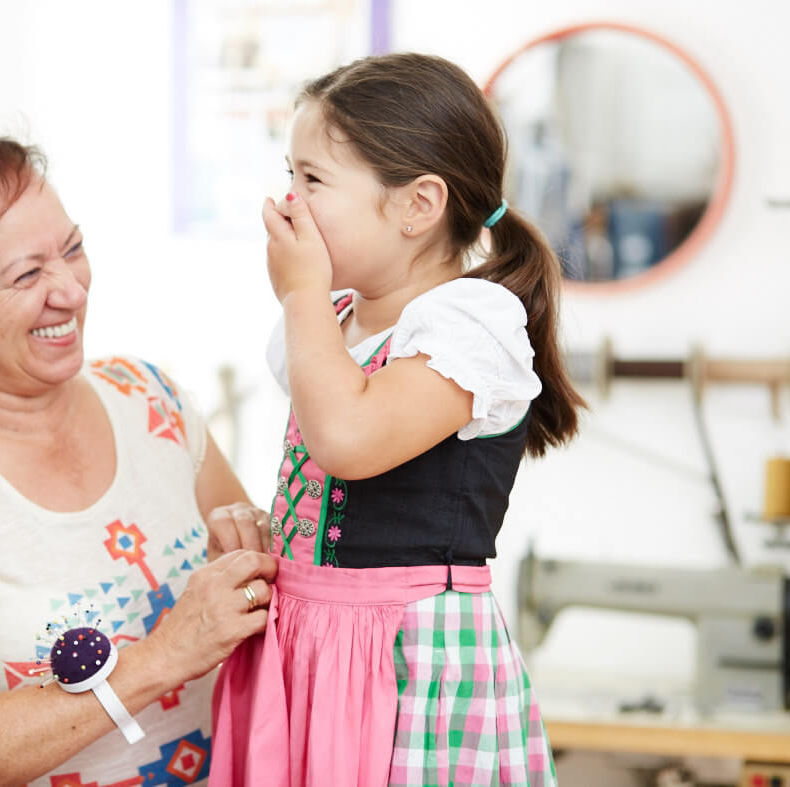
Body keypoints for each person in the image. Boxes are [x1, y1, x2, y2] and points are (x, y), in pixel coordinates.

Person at [0, 130, 278, 787]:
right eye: (27, 274)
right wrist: (162, 655)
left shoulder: (149, 398)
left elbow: (250, 584)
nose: (70, 290)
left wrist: (250, 539)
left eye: (72, 249)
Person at [209, 53, 586, 786]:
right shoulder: (338, 324)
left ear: (417, 205)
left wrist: (299, 298)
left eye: (311, 180)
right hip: (309, 648)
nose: (287, 203)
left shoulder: (470, 322)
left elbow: (347, 440)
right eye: (290, 176)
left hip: (405, 659)